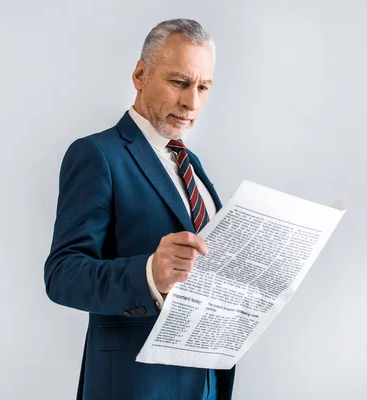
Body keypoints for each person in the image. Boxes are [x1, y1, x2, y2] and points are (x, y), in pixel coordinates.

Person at [44, 19, 235, 400]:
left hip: (208, 381)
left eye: (203, 86)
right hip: (137, 386)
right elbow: (63, 274)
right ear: (140, 74)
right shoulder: (98, 154)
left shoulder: (192, 166)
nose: (191, 102)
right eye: (179, 82)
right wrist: (150, 273)